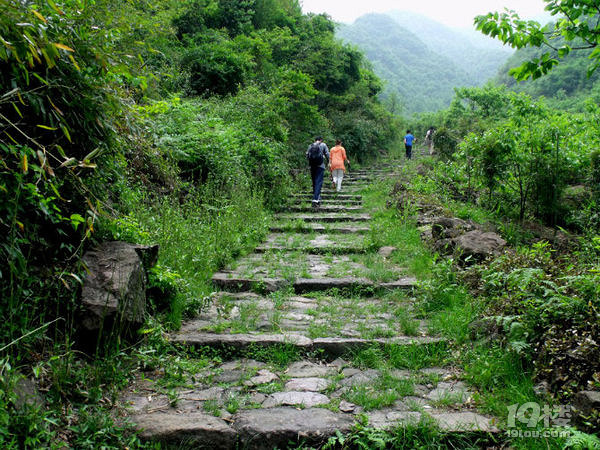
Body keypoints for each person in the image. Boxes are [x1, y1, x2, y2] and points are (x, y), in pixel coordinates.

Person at [306, 136, 329, 208]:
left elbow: (307, 155)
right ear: (321, 140)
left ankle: (317, 198)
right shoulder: (323, 145)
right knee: (318, 182)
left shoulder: (310, 146)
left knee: (314, 182)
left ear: (315, 140)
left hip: (312, 166)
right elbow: (328, 154)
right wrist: (329, 162)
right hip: (320, 166)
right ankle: (315, 199)